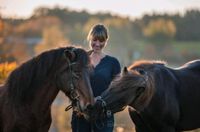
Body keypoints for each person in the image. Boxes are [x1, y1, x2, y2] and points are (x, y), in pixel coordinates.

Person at [71, 23, 121, 132]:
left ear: (106, 41)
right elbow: (72, 85)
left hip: (103, 115)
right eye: (94, 40)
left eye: (101, 41)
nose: (97, 44)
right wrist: (85, 100)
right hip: (81, 115)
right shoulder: (80, 60)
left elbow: (116, 90)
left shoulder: (113, 63)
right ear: (90, 38)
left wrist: (101, 99)